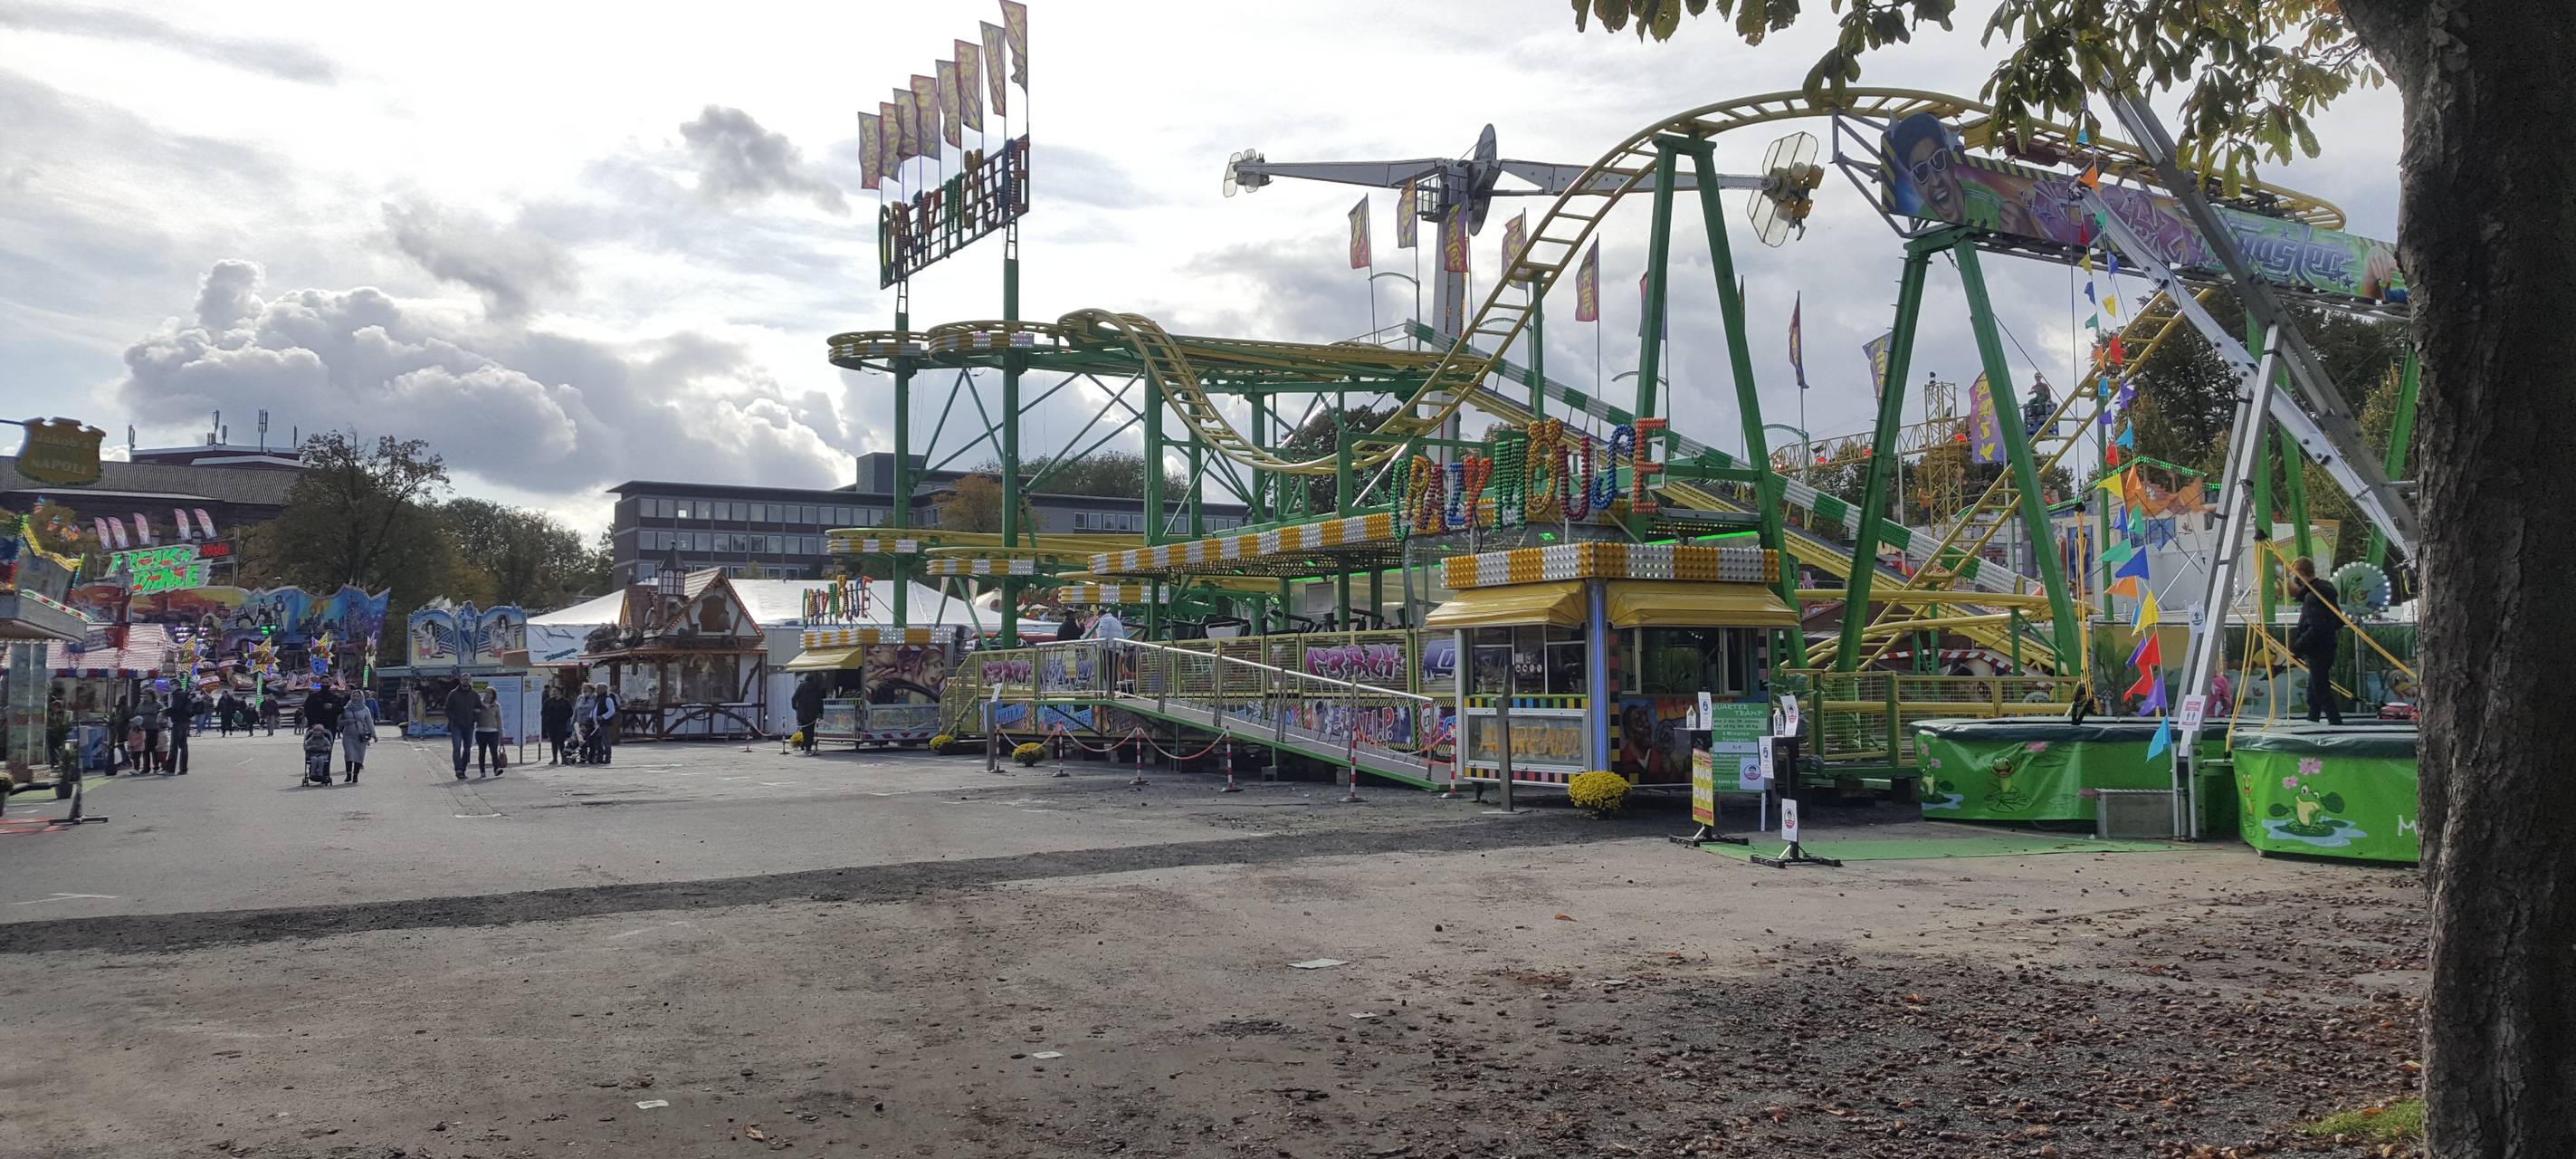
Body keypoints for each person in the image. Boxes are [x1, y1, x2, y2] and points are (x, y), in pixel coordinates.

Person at [2287, 557, 2346, 725]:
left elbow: (2316, 626)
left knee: (2320, 687)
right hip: (2327, 645)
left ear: (2301, 575)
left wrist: (2298, 644)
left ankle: (2335, 721)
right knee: (2314, 687)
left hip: (2317, 648)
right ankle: (2313, 718)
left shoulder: (2313, 597)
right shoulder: (2325, 591)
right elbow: (2335, 620)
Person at [442, 679, 481, 780]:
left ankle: (463, 768)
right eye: (464, 679)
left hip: (469, 725)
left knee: (467, 749)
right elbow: (447, 709)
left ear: (470, 681)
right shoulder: (453, 694)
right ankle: (458, 770)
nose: (465, 681)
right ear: (460, 681)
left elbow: (479, 707)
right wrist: (453, 719)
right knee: (457, 747)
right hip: (456, 725)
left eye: (467, 679)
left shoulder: (474, 694)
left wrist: (475, 717)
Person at [337, 691, 376, 783]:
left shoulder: (365, 709)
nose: (355, 698)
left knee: (359, 755)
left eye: (357, 696)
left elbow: (369, 722)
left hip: (360, 735)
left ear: (361, 697)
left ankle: (355, 775)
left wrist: (374, 735)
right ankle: (348, 774)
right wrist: (347, 721)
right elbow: (339, 721)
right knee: (349, 754)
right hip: (348, 734)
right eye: (353, 696)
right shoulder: (346, 708)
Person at [791, 674, 825, 755]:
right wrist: (821, 712)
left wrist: (795, 708)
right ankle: (809, 747)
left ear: (805, 680)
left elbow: (794, 698)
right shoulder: (816, 687)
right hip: (813, 713)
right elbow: (820, 701)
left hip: (802, 713)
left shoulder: (801, 687)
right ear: (812, 680)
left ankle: (805, 746)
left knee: (804, 730)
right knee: (811, 730)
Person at [475, 684, 503, 776]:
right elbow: (473, 716)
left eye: (489, 693)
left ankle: (496, 769)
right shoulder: (479, 704)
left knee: (494, 752)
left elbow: (499, 720)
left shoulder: (496, 706)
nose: (487, 694)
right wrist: (476, 713)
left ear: (493, 695)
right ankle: (482, 771)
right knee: (482, 752)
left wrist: (501, 733)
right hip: (481, 731)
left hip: (493, 732)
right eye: (485, 692)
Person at [164, 685, 193, 775]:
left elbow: (176, 708)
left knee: (174, 745)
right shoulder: (185, 694)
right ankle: (183, 769)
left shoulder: (177, 695)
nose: (170, 687)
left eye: (171, 685)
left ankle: (170, 769)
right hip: (186, 721)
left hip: (178, 721)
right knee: (184, 746)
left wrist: (165, 712)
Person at [541, 685, 574, 764]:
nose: (553, 693)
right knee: (554, 742)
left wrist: (564, 717)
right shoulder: (548, 701)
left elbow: (570, 712)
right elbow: (543, 712)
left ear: (559, 692)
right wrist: (547, 720)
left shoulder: (565, 702)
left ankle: (563, 758)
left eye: (555, 691)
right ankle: (554, 759)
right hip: (551, 724)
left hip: (561, 724)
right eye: (552, 691)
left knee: (561, 741)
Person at [135, 689, 165, 775]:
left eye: (147, 695)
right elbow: (136, 713)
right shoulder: (141, 705)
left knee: (154, 748)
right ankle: (146, 767)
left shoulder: (157, 705)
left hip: (154, 729)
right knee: (145, 749)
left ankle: (156, 766)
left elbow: (163, 714)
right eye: (143, 695)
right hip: (143, 729)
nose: (145, 697)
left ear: (152, 695)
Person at [590, 683, 619, 764]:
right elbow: (594, 709)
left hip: (604, 723)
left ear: (604, 689)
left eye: (599, 688)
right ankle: (599, 757)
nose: (597, 690)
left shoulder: (607, 698)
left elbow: (612, 710)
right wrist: (591, 717)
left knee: (605, 740)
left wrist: (603, 716)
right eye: (597, 688)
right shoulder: (598, 698)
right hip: (596, 723)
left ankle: (607, 758)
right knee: (597, 741)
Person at [571, 684, 597, 763]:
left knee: (591, 740)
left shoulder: (595, 698)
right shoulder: (580, 697)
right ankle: (583, 756)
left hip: (590, 722)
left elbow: (596, 709)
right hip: (580, 722)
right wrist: (573, 720)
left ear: (592, 689)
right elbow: (576, 709)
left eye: (587, 688)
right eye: (583, 688)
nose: (585, 690)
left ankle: (591, 756)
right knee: (580, 740)